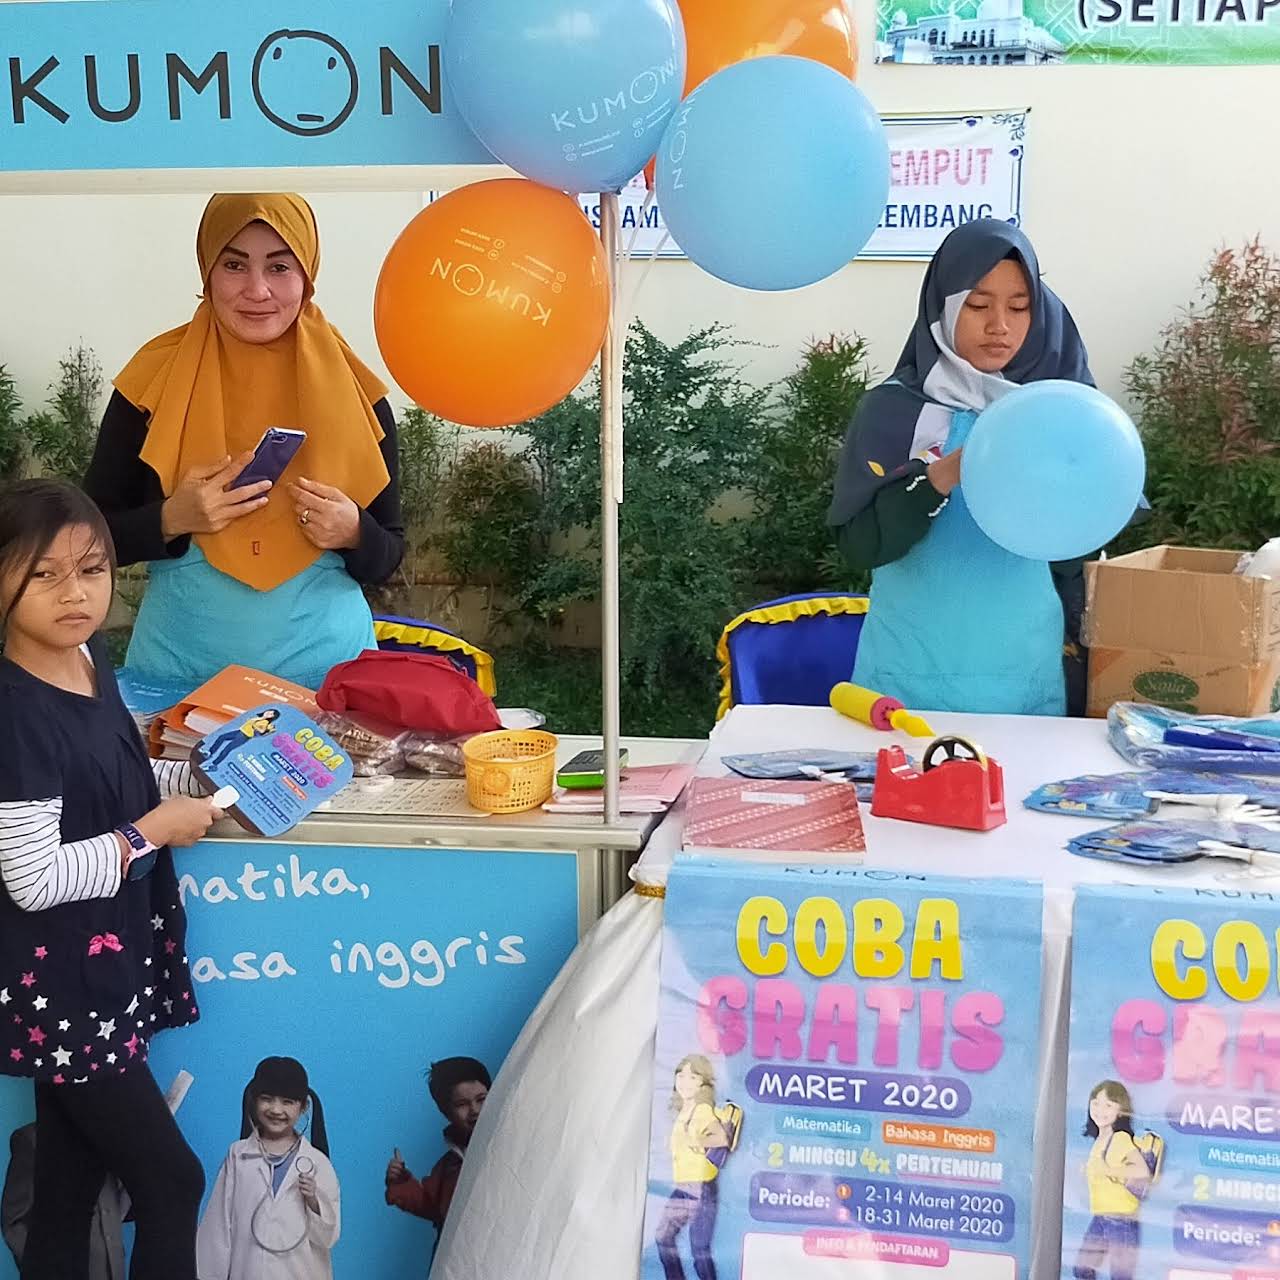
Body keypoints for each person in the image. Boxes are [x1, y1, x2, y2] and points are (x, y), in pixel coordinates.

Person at [0, 479, 220, 1279]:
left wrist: (197, 783)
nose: (75, 594)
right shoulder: (14, 711)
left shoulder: (90, 660)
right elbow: (31, 876)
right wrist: (151, 832)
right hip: (61, 988)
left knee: (67, 1182)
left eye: (92, 570)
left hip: (102, 966)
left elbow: (113, 774)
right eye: (44, 575)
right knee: (172, 1182)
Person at [84, 192, 406, 691]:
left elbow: (389, 552)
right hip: (179, 684)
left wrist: (354, 532)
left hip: (327, 685)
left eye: (280, 267)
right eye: (234, 264)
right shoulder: (151, 384)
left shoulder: (356, 390)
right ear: (207, 272)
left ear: (307, 276)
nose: (258, 290)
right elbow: (88, 538)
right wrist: (171, 518)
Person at [829, 218, 1103, 717]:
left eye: (1019, 307)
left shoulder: (1053, 415)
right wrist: (940, 477)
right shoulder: (893, 410)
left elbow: (1074, 561)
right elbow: (860, 546)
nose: (1000, 325)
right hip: (905, 687)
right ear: (944, 306)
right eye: (978, 305)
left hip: (1024, 687)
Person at [196, 1055, 340, 1280]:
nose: (276, 1109)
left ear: (303, 1106)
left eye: (287, 1102)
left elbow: (328, 1238)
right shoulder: (238, 1156)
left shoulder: (317, 1163)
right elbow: (217, 1228)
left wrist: (313, 1200)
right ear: (254, 1101)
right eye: (267, 1099)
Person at [385, 1057, 490, 1264]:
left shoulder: (513, 1145)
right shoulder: (450, 1166)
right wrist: (401, 1182)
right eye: (462, 1104)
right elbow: (431, 1204)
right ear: (446, 1111)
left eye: (482, 1099)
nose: (475, 1110)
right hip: (462, 1261)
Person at [2, 1123, 125, 1280]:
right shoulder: (32, 1138)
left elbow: (119, 1204)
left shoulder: (110, 1137)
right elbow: (13, 1222)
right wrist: (44, 1269)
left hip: (115, 1271)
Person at [654, 1056, 728, 1280]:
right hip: (685, 1187)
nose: (685, 1082)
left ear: (703, 1083)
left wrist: (697, 1141)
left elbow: (721, 1137)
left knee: (699, 1249)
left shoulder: (702, 1110)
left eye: (693, 1077)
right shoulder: (684, 1111)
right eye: (681, 1075)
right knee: (664, 1237)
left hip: (700, 1187)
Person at [1073, 1081, 1149, 1280]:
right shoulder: (1100, 1140)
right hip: (1101, 1216)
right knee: (1082, 1269)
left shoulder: (1120, 1138)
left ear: (1121, 1111)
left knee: (1120, 1276)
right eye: (1096, 1103)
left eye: (1108, 1105)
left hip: (1121, 1220)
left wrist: (1106, 1169)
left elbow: (1142, 1170)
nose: (1100, 1110)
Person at [201, 708, 281, 772]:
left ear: (272, 717)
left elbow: (262, 731)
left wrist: (255, 727)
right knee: (222, 737)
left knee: (227, 749)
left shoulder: (265, 722)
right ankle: (210, 752)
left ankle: (213, 765)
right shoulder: (259, 718)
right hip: (240, 731)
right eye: (269, 711)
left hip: (244, 736)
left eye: (271, 714)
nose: (268, 713)